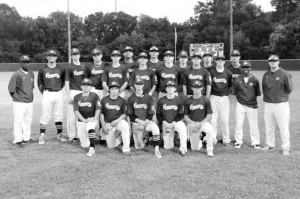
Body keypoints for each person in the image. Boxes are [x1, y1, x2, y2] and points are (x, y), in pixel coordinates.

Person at [261, 54, 293, 155]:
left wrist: (282, 96)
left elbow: (290, 88)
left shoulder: (284, 73)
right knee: (269, 125)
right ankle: (270, 145)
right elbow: (264, 87)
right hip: (268, 104)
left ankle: (285, 147)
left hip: (281, 104)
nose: (273, 62)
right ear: (268, 63)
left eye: (275, 61)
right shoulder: (266, 74)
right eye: (271, 61)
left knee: (283, 126)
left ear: (278, 62)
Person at [37, 50, 68, 144]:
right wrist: (45, 92)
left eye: (53, 56)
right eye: (50, 56)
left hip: (58, 93)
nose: (52, 57)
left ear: (56, 57)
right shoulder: (42, 69)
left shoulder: (61, 69)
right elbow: (40, 83)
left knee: (59, 115)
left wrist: (58, 88)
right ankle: (42, 135)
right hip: (47, 93)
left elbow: (63, 82)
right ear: (47, 57)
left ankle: (60, 134)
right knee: (45, 115)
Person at [127, 78, 162, 158]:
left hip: (147, 122)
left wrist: (145, 122)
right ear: (134, 85)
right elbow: (130, 115)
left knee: (155, 128)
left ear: (143, 85)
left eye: (140, 84)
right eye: (137, 84)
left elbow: (151, 112)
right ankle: (146, 138)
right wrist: (140, 122)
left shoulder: (148, 97)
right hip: (137, 123)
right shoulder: (131, 99)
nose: (138, 86)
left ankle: (157, 149)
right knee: (139, 147)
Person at [231, 61, 261, 149]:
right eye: (244, 67)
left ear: (250, 68)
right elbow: (234, 92)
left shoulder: (255, 80)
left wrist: (252, 101)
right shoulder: (237, 80)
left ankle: (255, 142)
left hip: (252, 105)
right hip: (240, 104)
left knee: (253, 124)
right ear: (241, 68)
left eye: (247, 67)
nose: (245, 69)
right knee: (239, 123)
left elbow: (257, 93)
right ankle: (238, 141)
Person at [8, 55, 35, 146]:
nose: (26, 63)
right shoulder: (17, 74)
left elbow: (31, 87)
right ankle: (17, 140)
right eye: (24, 62)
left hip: (29, 101)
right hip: (19, 102)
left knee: (28, 121)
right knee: (18, 121)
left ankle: (26, 138)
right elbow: (11, 89)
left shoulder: (31, 73)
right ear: (20, 63)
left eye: (28, 62)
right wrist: (17, 98)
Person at [156, 80, 188, 156]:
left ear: (175, 89)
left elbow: (181, 114)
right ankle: (170, 139)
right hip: (166, 123)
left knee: (183, 128)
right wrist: (164, 122)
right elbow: (158, 115)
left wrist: (174, 122)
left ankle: (183, 149)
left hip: (176, 122)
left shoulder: (179, 100)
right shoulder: (161, 100)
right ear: (166, 89)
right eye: (168, 87)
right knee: (167, 147)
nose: (170, 89)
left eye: (172, 87)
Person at [184, 80, 214, 157]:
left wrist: (200, 123)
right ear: (192, 88)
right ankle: (201, 138)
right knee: (195, 148)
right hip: (193, 124)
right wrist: (194, 123)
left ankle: (209, 149)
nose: (197, 89)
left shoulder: (206, 100)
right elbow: (185, 117)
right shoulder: (188, 101)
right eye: (195, 87)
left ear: (202, 88)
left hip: (203, 123)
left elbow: (209, 116)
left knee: (210, 129)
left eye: (198, 87)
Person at [99, 81, 131, 154]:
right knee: (111, 146)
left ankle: (126, 149)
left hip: (118, 122)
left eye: (116, 89)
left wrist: (117, 121)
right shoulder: (104, 100)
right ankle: (120, 138)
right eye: (112, 89)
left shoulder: (122, 100)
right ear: (109, 90)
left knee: (125, 125)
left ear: (118, 90)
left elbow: (124, 114)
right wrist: (103, 126)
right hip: (108, 124)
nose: (114, 91)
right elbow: (101, 114)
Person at [73, 78, 101, 156]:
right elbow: (76, 111)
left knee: (90, 127)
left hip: (91, 119)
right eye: (84, 85)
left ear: (91, 87)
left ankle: (92, 149)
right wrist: (84, 120)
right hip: (81, 121)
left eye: (88, 85)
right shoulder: (76, 97)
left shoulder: (94, 96)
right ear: (81, 86)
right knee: (84, 145)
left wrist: (94, 119)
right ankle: (92, 136)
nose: (86, 87)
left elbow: (98, 108)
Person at [209, 55, 232, 145]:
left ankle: (226, 139)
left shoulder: (228, 73)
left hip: (224, 97)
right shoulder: (211, 72)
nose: (220, 62)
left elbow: (230, 85)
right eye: (218, 60)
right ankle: (213, 139)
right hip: (213, 96)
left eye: (222, 60)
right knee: (213, 119)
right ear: (215, 61)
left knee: (224, 119)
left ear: (224, 62)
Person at [65, 48, 85, 142]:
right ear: (71, 56)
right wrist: (68, 95)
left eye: (77, 54)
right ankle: (72, 136)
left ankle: (80, 135)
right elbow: (66, 82)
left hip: (83, 92)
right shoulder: (69, 67)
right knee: (72, 115)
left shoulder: (83, 66)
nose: (75, 56)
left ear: (79, 55)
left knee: (81, 115)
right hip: (73, 91)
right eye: (74, 54)